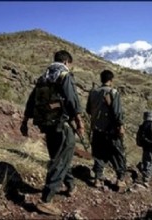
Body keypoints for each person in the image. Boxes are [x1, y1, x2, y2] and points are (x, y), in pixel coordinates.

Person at [20, 50, 84, 215]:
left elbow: (31, 100)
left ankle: (70, 186)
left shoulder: (43, 77)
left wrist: (25, 122)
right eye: (70, 64)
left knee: (60, 157)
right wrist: (79, 122)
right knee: (61, 159)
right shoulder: (64, 75)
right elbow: (72, 100)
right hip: (62, 125)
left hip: (46, 125)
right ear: (66, 62)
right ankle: (45, 200)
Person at [86, 69, 127, 192]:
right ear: (111, 80)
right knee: (117, 153)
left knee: (99, 154)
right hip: (111, 130)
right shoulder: (113, 92)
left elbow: (88, 110)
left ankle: (97, 178)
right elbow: (117, 112)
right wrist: (120, 125)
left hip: (97, 129)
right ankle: (120, 179)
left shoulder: (93, 92)